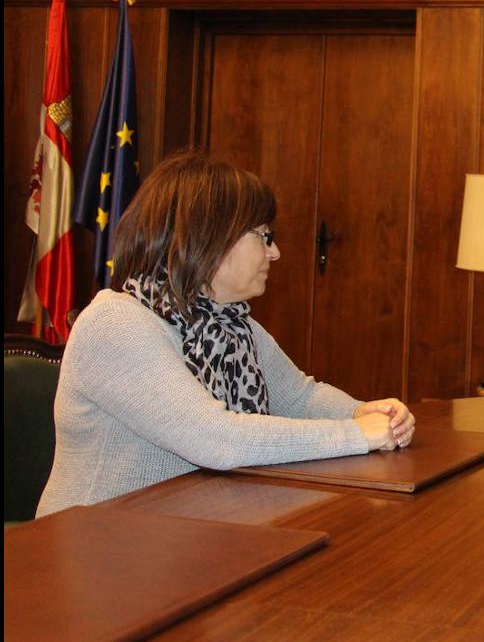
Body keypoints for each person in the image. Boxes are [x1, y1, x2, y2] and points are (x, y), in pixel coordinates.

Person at [36, 152, 415, 516]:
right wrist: (356, 434)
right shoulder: (115, 324)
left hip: (193, 532)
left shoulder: (230, 324)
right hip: (97, 545)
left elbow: (299, 396)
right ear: (209, 237)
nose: (275, 253)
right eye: (263, 236)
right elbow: (217, 439)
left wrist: (362, 412)